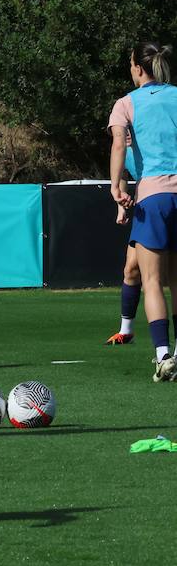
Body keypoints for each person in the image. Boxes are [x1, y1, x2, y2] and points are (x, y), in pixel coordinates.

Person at [109, 43, 177, 379]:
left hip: (155, 198)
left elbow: (119, 144)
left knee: (152, 280)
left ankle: (163, 355)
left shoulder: (126, 104)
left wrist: (115, 186)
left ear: (137, 68)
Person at [106, 141, 142, 345]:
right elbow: (121, 176)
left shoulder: (154, 139)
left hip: (165, 202)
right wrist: (121, 206)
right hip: (147, 209)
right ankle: (126, 331)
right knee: (131, 269)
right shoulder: (120, 149)